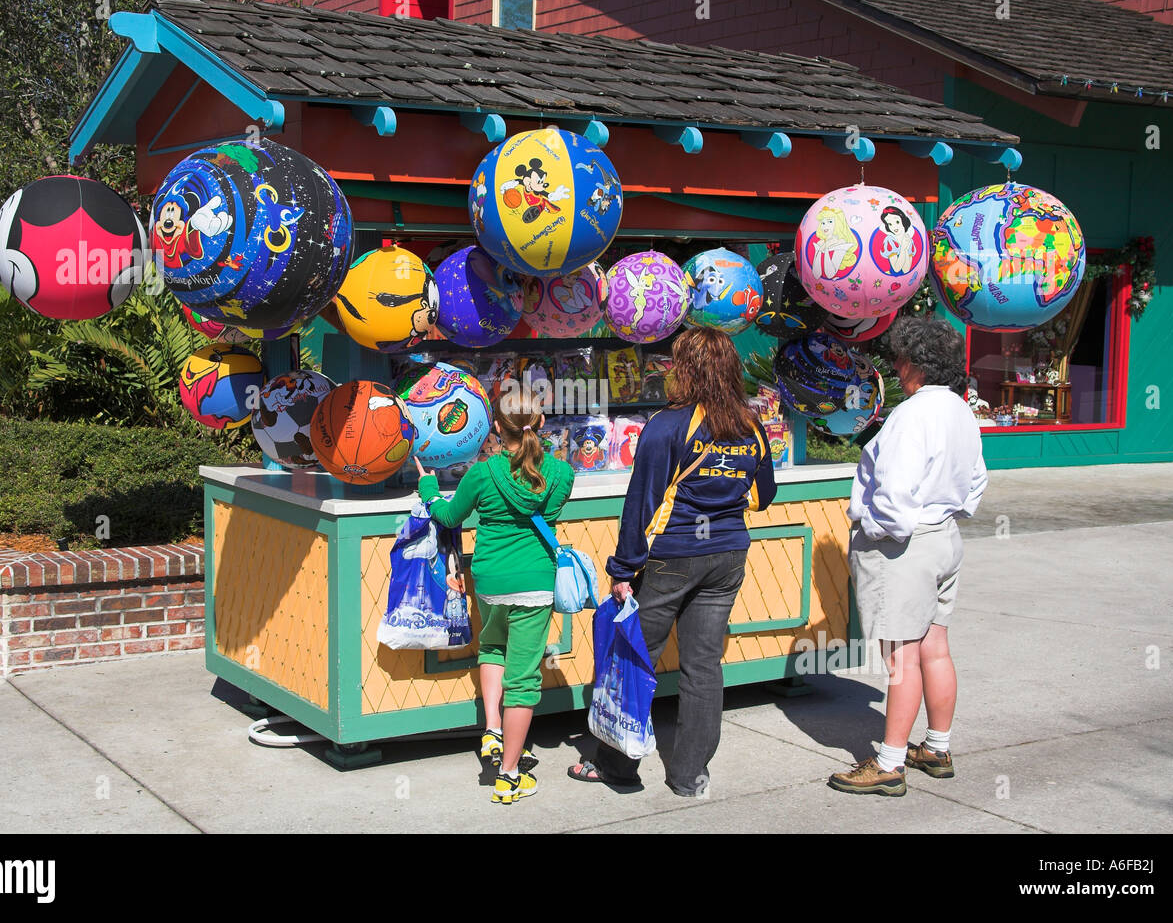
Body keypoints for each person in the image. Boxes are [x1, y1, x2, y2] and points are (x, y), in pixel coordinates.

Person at [568, 327, 777, 796]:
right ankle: (691, 775)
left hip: (672, 558)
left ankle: (617, 767)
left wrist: (623, 570)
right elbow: (763, 496)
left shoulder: (667, 424)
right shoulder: (750, 423)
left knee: (635, 660)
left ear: (687, 370)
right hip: (728, 556)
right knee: (703, 667)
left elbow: (640, 503)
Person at [829, 316, 988, 797]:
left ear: (917, 365)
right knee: (934, 647)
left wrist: (876, 530)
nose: (896, 368)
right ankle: (936, 747)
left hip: (904, 545)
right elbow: (977, 482)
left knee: (901, 658)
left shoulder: (911, 414)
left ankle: (890, 762)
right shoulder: (962, 411)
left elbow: (894, 492)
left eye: (900, 359)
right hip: (944, 536)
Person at [416, 391, 574, 804]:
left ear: (494, 431)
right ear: (540, 424)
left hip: (489, 579)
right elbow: (548, 511)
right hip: (535, 581)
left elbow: (449, 516)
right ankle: (508, 775)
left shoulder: (483, 474)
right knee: (523, 681)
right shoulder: (562, 474)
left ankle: (492, 729)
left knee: (491, 646)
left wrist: (429, 489)